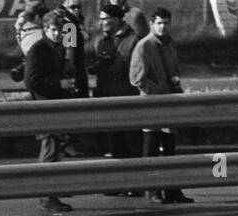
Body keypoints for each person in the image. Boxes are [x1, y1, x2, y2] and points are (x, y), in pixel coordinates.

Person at [130, 8, 194, 204]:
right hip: (153, 104)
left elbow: (173, 70)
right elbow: (136, 78)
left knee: (169, 148)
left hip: (170, 103)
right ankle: (153, 189)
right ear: (151, 24)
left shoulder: (169, 44)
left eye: (166, 23)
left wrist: (176, 87)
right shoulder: (144, 46)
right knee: (151, 148)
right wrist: (158, 91)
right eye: (159, 23)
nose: (163, 27)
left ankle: (172, 189)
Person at [90, 2, 144, 189]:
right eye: (73, 7)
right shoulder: (98, 39)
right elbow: (78, 57)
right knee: (114, 142)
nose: (101, 22)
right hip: (107, 96)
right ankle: (119, 183)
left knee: (132, 141)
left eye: (105, 19)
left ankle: (135, 183)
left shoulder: (133, 39)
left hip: (127, 96)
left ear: (116, 19)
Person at [25, 12, 74, 214]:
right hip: (44, 107)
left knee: (54, 151)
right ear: (45, 29)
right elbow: (31, 82)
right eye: (53, 30)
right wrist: (58, 83)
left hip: (54, 105)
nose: (56, 34)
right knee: (49, 151)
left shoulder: (56, 48)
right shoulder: (38, 50)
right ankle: (47, 196)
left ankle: (51, 194)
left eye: (59, 31)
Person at [52, 0, 90, 99]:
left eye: (79, 7)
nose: (77, 10)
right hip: (74, 74)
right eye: (73, 7)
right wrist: (72, 79)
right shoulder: (69, 26)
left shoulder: (72, 23)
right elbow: (69, 56)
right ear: (65, 7)